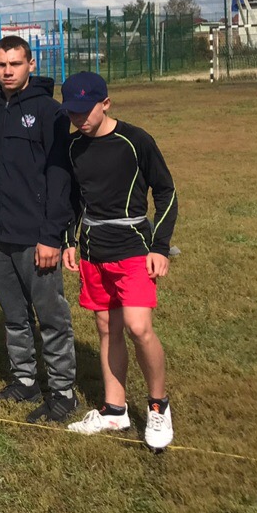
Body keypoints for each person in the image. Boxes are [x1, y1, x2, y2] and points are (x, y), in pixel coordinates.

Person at [0, 36, 78, 423]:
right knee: (13, 315)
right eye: (1, 64)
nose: (7, 71)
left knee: (51, 316)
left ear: (31, 64)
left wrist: (51, 236)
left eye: (15, 63)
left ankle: (63, 391)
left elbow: (60, 178)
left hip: (36, 237)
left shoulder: (50, 112)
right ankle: (25, 380)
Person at [60, 72, 178, 451]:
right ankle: (115, 410)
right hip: (94, 251)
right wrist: (70, 240)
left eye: (85, 110)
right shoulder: (72, 146)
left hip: (134, 248)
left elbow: (166, 191)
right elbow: (72, 200)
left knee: (138, 327)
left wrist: (160, 247)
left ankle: (158, 406)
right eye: (72, 112)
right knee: (106, 328)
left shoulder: (136, 140)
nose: (79, 119)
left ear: (106, 103)